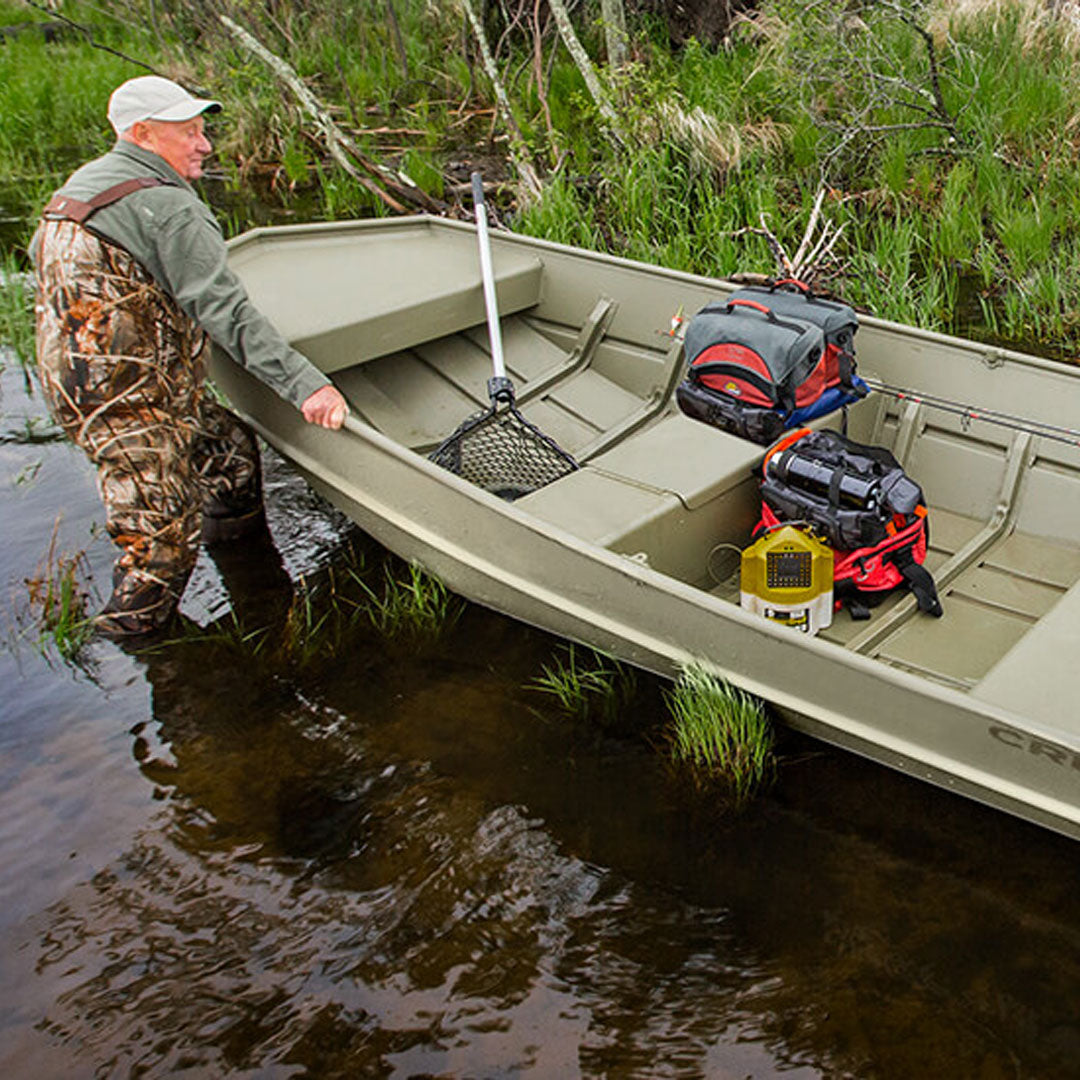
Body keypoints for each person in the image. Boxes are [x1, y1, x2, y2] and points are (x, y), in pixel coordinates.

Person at [30, 75, 350, 639]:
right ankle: (145, 660)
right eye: (189, 132)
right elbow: (224, 312)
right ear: (143, 134)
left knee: (229, 457)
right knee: (160, 550)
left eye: (202, 130)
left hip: (89, 385)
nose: (204, 144)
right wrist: (306, 385)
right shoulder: (168, 207)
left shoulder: (79, 191)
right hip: (126, 402)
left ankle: (253, 582)